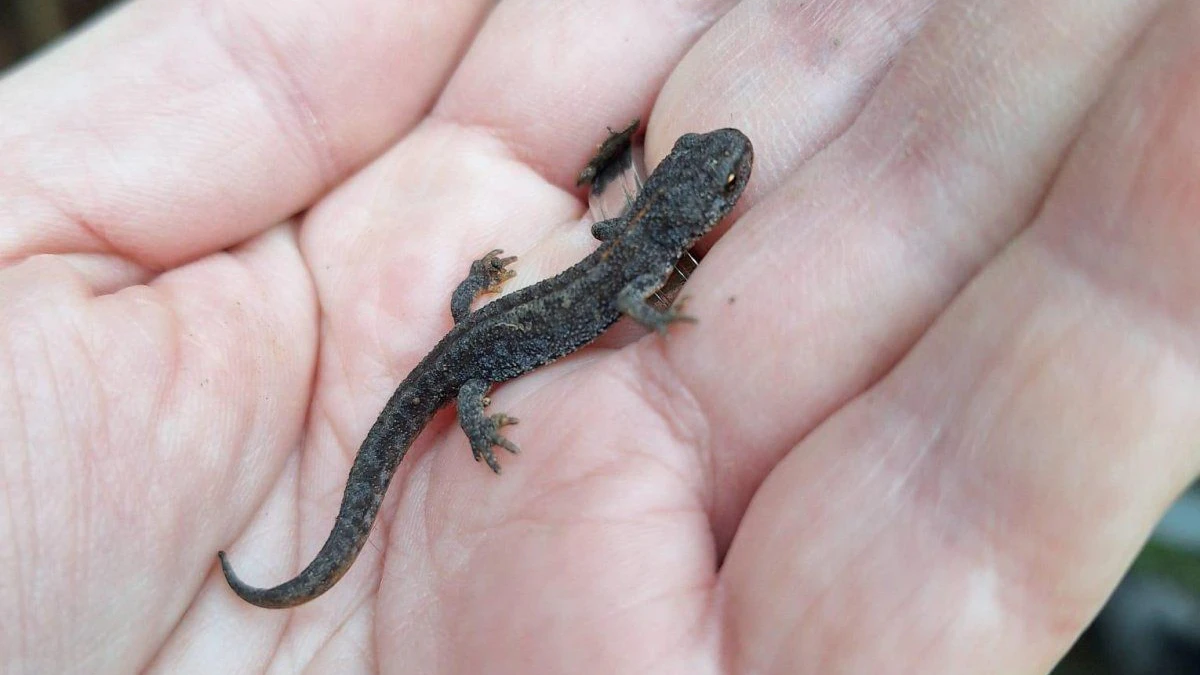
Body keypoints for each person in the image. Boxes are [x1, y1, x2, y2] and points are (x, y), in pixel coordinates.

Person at [1, 0, 1196, 672]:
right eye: (717, 176)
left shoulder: (638, 236)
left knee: (484, 348)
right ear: (698, 210)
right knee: (459, 388)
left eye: (721, 174)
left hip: (480, 337)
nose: (725, 171)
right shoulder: (639, 266)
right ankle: (425, 442)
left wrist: (489, 296)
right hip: (469, 365)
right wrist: (492, 399)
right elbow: (621, 304)